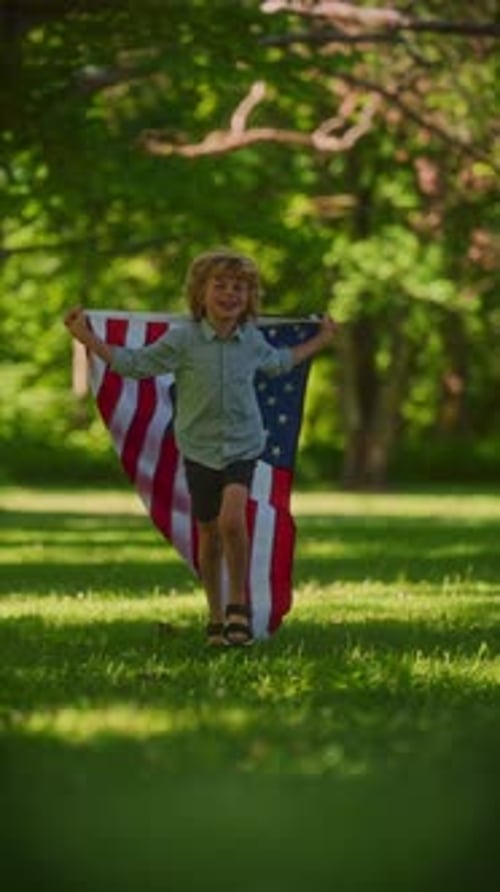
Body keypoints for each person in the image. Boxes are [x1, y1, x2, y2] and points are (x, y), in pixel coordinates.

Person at [64, 247, 336, 647]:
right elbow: (134, 365)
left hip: (244, 445)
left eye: (239, 287)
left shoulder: (251, 340)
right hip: (198, 449)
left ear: (249, 297)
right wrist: (86, 338)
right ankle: (215, 614)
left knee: (231, 519)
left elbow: (280, 362)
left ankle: (238, 605)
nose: (230, 294)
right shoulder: (185, 341)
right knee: (207, 532)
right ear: (201, 293)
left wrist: (323, 339)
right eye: (220, 285)